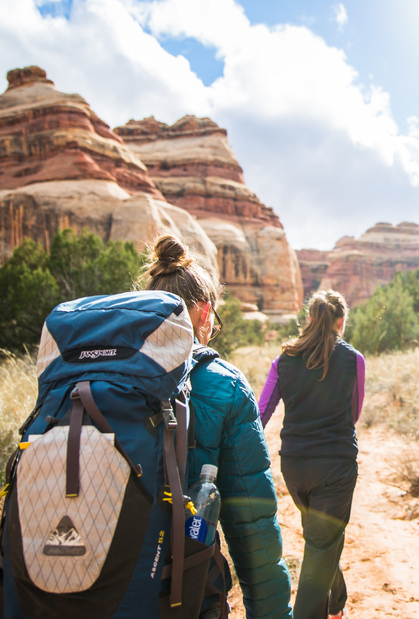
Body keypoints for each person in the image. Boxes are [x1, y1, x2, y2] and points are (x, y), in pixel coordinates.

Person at [140, 234, 293, 619]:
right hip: (183, 594)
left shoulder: (102, 375)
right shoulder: (224, 384)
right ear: (205, 313)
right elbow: (252, 526)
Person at [257, 290, 364, 619]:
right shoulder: (353, 359)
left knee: (323, 540)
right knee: (321, 545)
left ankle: (335, 605)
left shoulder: (283, 360)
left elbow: (259, 415)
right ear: (340, 322)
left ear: (310, 320)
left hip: (296, 468)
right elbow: (354, 413)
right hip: (336, 468)